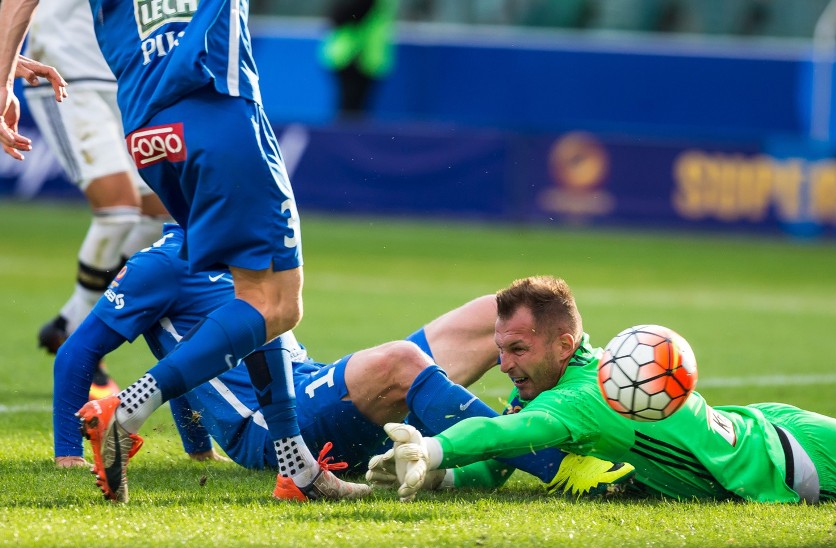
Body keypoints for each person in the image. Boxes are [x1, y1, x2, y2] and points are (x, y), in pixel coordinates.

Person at [0, 0, 347, 503]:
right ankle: (126, 412)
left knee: (247, 293)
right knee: (277, 304)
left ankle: (296, 469)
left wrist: (4, 76)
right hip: (215, 106)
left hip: (148, 131)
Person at [55, 224, 634, 500]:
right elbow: (77, 354)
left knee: (500, 313)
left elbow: (192, 352)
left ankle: (588, 404)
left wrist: (196, 446)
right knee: (402, 362)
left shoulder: (237, 245)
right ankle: (557, 464)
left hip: (305, 386)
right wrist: (64, 456)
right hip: (271, 428)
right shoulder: (161, 263)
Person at [371, 275, 836, 503]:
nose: (502, 364)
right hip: (761, 421)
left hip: (795, 460)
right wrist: (440, 476)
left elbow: (504, 432)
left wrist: (433, 448)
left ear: (563, 345)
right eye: (501, 348)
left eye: (517, 349)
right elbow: (501, 457)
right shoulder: (568, 376)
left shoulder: (583, 398)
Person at [24, 0, 172, 399]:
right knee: (118, 211)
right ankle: (82, 337)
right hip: (63, 73)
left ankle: (71, 321)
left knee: (159, 213)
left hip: (125, 74)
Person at [320, 0, 397, 118]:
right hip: (354, 57)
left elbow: (341, 16)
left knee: (353, 110)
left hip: (358, 58)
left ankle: (349, 135)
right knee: (351, 110)